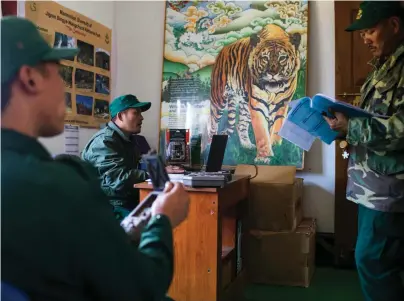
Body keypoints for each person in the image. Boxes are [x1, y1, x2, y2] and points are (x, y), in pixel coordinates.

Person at [1, 16, 189, 301]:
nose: (64, 87)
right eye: (58, 73)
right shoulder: (59, 188)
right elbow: (144, 286)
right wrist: (162, 218)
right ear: (30, 78)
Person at [324, 2, 404, 300]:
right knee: (375, 260)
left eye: (371, 30)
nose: (365, 38)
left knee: (374, 262)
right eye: (363, 33)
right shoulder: (383, 65)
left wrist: (352, 128)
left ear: (394, 25)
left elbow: (400, 128)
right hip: (369, 187)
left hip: (389, 191)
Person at [82, 94, 150, 221]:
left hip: (126, 201)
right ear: (120, 116)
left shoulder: (128, 139)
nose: (141, 117)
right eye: (136, 113)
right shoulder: (104, 142)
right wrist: (152, 174)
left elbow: (137, 167)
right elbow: (119, 180)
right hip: (109, 207)